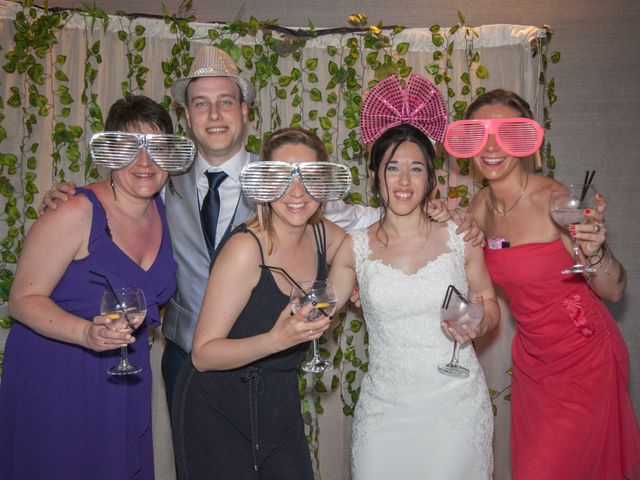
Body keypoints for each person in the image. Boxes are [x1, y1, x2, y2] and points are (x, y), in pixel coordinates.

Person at [37, 45, 483, 409]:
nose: (215, 115)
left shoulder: (282, 178)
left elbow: (364, 219)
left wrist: (440, 212)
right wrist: (71, 194)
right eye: (201, 104)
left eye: (226, 102)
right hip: (185, 359)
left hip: (266, 358)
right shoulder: (159, 181)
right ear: (189, 117)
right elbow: (119, 203)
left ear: (245, 112)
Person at [452, 89, 640, 479]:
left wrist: (594, 251)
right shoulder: (479, 208)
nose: (491, 146)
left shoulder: (555, 200)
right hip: (533, 362)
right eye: (479, 134)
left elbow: (614, 289)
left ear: (526, 142)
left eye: (508, 134)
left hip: (585, 356)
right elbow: (471, 282)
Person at [0, 95, 184, 479]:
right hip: (58, 375)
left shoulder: (166, 213)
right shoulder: (75, 210)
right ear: (110, 153)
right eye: (130, 147)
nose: (144, 162)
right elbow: (22, 300)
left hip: (123, 375)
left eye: (156, 148)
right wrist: (86, 332)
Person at [328, 74, 500, 480]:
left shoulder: (462, 235)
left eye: (416, 169)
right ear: (375, 176)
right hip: (384, 411)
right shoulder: (355, 248)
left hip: (455, 406)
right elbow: (323, 309)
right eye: (392, 169)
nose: (404, 181)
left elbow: (488, 303)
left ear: (431, 179)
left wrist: (480, 323)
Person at [171, 128, 346, 479]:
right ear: (264, 183)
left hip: (278, 401)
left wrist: (342, 292)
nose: (296, 192)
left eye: (308, 177)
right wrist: (279, 340)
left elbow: (359, 251)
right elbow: (203, 355)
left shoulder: (322, 233)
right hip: (216, 407)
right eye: (282, 177)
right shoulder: (245, 249)